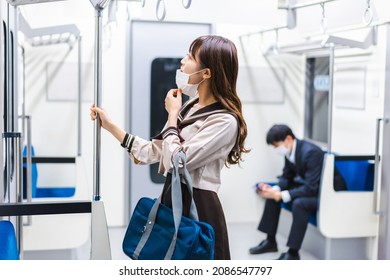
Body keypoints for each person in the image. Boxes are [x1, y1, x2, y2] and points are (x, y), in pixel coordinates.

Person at [90, 35, 249, 260]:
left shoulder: (225, 121)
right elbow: (154, 152)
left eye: (190, 57)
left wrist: (173, 115)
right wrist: (110, 127)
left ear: (206, 73)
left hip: (199, 206)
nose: (182, 62)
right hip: (172, 199)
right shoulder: (190, 106)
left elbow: (178, 161)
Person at [249, 124, 324, 260]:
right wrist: (274, 190)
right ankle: (271, 241)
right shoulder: (290, 151)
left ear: (288, 139)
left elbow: (311, 187)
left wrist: (282, 195)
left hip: (324, 194)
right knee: (272, 196)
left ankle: (293, 252)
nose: (276, 149)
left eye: (276, 145)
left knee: (299, 203)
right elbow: (286, 176)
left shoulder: (310, 152)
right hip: (309, 187)